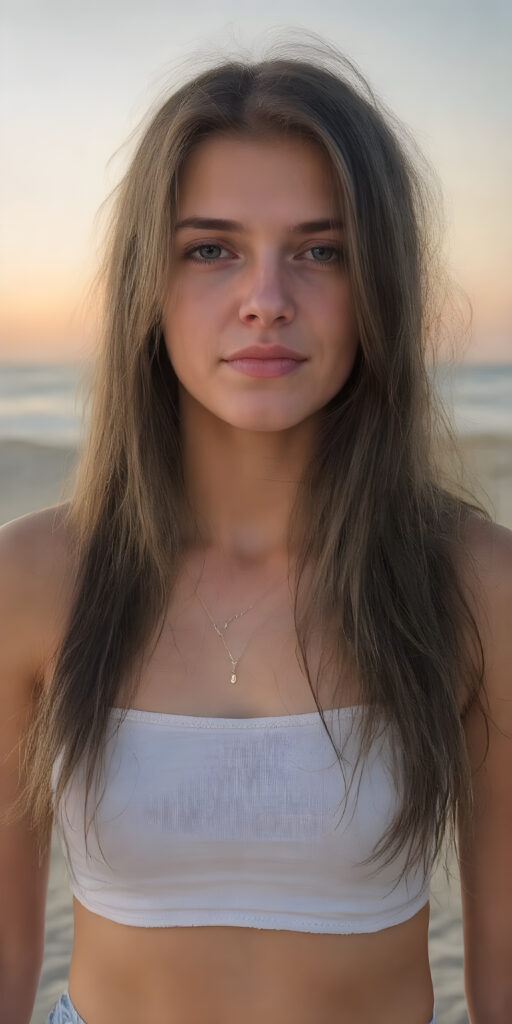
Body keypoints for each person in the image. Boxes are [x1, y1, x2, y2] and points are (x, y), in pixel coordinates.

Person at [1, 34, 511, 1024]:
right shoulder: (31, 580)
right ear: (149, 285)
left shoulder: (473, 583)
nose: (266, 300)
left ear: (379, 291)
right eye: (211, 249)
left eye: (320, 251)